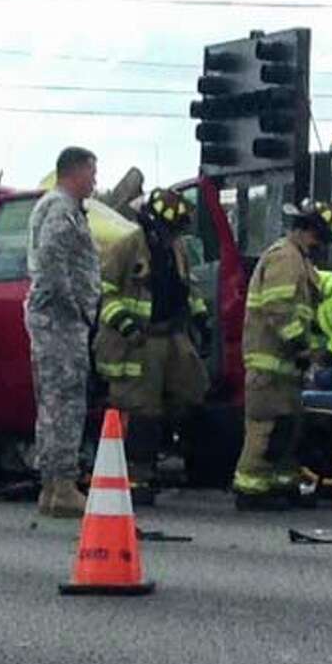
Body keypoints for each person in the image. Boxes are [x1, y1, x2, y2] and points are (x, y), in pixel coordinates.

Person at [94, 188, 210, 506]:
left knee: (191, 392)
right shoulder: (127, 246)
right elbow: (104, 292)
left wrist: (201, 318)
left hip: (171, 336)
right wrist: (125, 324)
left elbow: (187, 287)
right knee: (141, 409)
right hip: (137, 341)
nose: (173, 236)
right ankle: (135, 477)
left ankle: (158, 457)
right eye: (169, 229)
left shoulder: (176, 247)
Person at [233, 199, 332, 510]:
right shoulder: (285, 257)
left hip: (285, 363)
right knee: (266, 427)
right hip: (270, 362)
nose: (322, 247)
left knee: (286, 428)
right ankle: (251, 490)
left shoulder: (299, 258)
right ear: (309, 231)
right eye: (320, 239)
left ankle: (280, 484)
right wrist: (301, 343)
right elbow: (278, 307)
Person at [25, 146, 101, 518]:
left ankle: (53, 487)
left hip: (56, 320)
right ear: (74, 172)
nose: (95, 181)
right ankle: (63, 485)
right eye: (91, 173)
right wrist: (76, 308)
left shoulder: (57, 207)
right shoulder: (61, 209)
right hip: (60, 322)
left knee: (53, 403)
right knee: (65, 403)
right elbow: (53, 263)